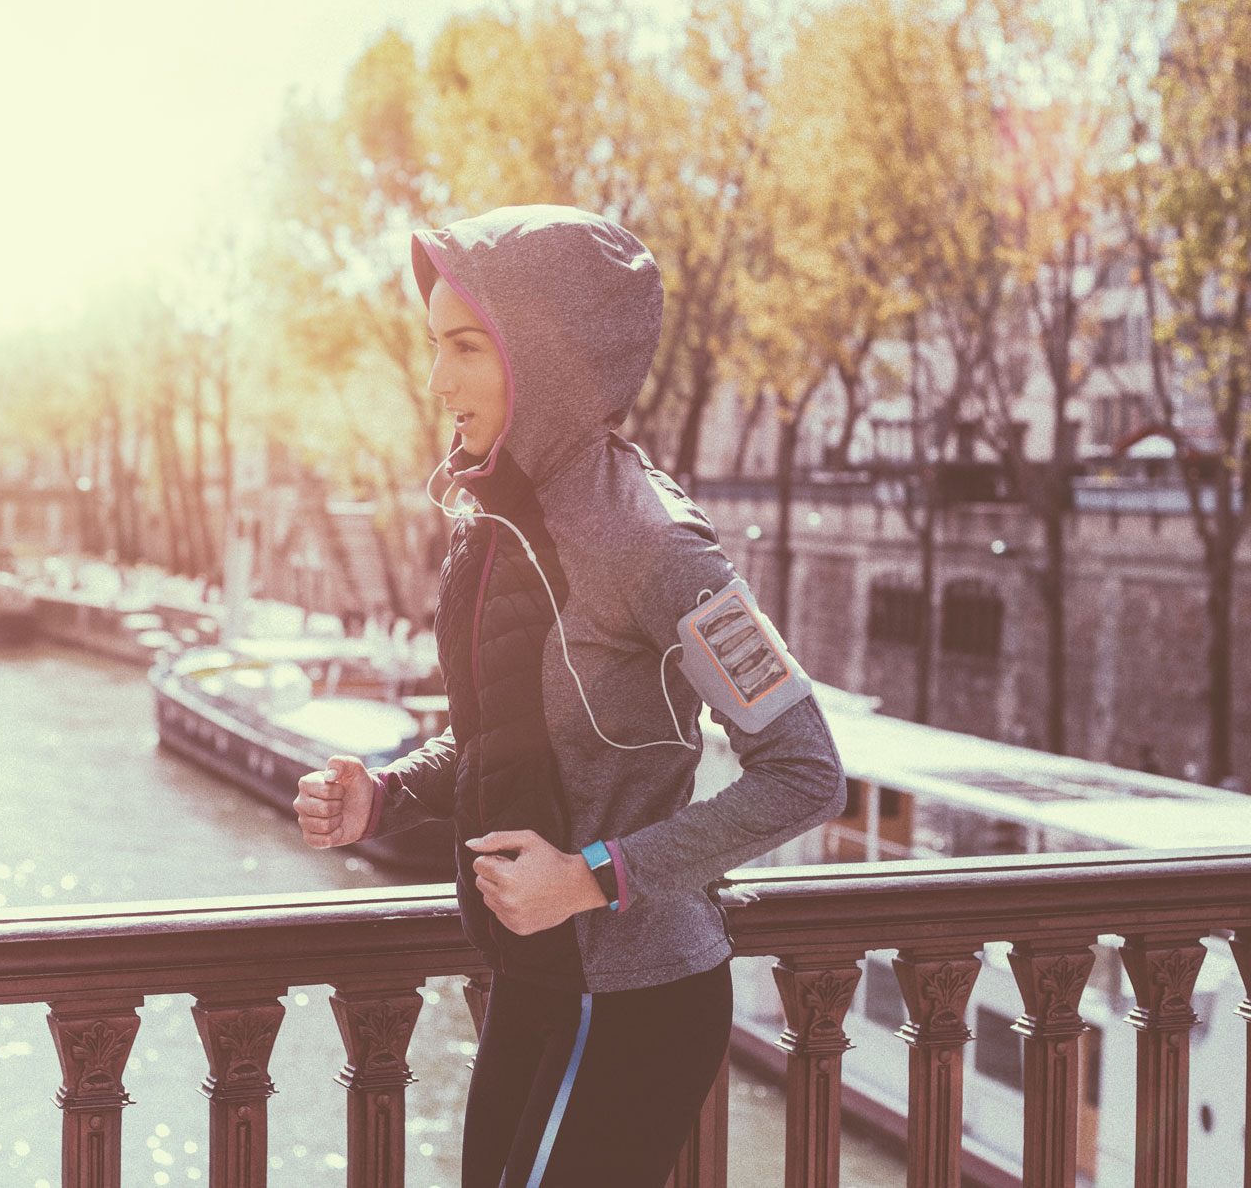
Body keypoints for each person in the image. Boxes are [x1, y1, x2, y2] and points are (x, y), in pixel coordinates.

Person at [293, 204, 845, 1187]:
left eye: (464, 345)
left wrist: (589, 873)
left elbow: (804, 774)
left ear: (538, 351)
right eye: (433, 346)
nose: (437, 380)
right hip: (532, 978)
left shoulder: (658, 545)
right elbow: (506, 743)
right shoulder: (490, 519)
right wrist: (385, 793)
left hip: (636, 995)